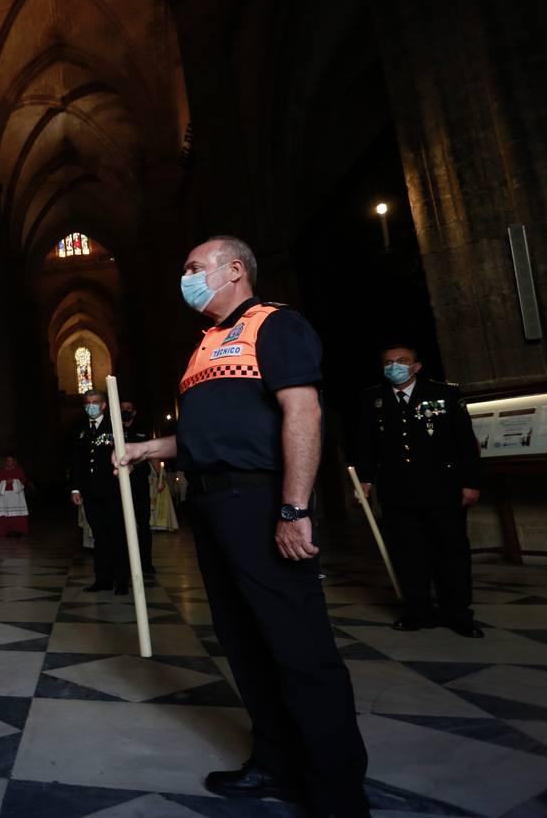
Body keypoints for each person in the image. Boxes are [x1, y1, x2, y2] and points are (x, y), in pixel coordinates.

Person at [117, 235, 368, 816]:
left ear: (234, 270)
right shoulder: (204, 345)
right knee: (245, 643)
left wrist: (294, 507)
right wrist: (145, 447)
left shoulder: (273, 325)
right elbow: (205, 438)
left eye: (193, 267)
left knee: (299, 647)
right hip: (211, 505)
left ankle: (335, 791)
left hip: (259, 501)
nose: (185, 277)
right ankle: (275, 762)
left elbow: (302, 412)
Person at [354, 343, 482, 637]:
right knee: (408, 554)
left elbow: (465, 442)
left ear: (417, 366)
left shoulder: (444, 394)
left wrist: (471, 482)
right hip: (397, 490)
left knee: (450, 553)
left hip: (443, 488)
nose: (394, 367)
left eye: (401, 361)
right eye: (388, 362)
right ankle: (417, 611)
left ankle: (458, 614)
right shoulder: (372, 398)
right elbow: (366, 445)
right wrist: (365, 479)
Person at [68, 390, 129, 595]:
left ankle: (121, 580)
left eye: (94, 402)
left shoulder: (114, 426)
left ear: (103, 405)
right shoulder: (80, 429)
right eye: (87, 403)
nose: (90, 406)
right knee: (99, 536)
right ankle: (102, 578)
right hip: (91, 492)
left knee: (116, 535)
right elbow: (76, 461)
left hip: (113, 491)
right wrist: (75, 488)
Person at [120, 400, 157, 577]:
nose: (125, 412)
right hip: (119, 485)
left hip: (140, 484)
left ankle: (146, 562)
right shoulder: (113, 431)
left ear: (133, 412)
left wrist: (160, 477)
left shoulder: (143, 429)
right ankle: (125, 564)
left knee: (143, 524)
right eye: (121, 409)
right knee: (122, 525)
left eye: (128, 409)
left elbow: (152, 454)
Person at [0, 455, 30, 537]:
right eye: (7, 460)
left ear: (14, 462)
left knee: (18, 514)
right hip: (4, 495)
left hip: (17, 496)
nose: (8, 462)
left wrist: (14, 481)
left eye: (10, 460)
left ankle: (18, 530)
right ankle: (6, 530)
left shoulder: (19, 470)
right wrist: (5, 482)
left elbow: (23, 480)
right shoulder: (1, 471)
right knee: (4, 514)